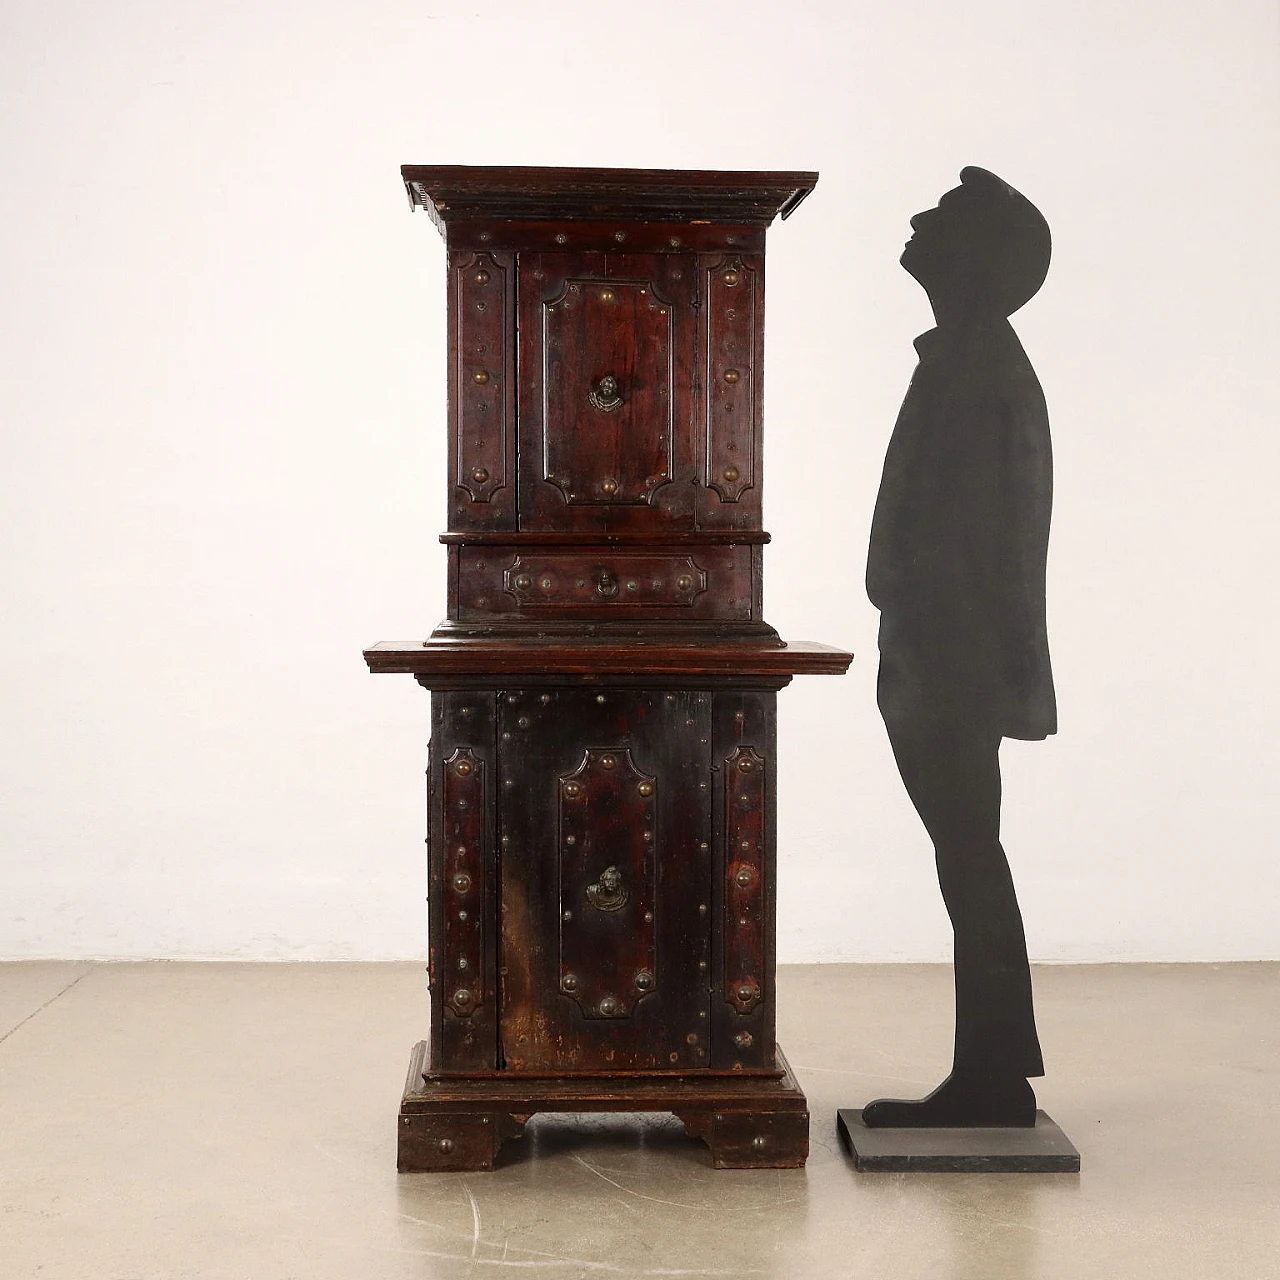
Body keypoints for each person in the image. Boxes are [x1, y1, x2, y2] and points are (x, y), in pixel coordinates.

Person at [863, 167, 1055, 1127]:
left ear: (971, 259)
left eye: (939, 216)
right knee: (969, 854)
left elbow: (976, 546)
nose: (915, 218)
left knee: (970, 853)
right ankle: (994, 1069)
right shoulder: (966, 360)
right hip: (942, 657)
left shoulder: (978, 370)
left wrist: (940, 658)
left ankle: (992, 1078)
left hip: (952, 662)